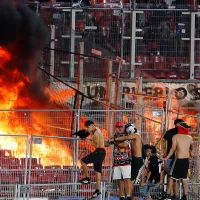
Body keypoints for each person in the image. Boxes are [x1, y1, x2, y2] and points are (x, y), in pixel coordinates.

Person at [162, 122, 193, 200]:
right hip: (186, 161)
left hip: (178, 160)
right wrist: (190, 152)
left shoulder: (175, 136)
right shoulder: (190, 137)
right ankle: (185, 196)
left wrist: (166, 157)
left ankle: (167, 195)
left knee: (171, 177)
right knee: (184, 178)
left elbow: (172, 149)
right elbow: (191, 148)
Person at [113, 123, 143, 198]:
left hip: (137, 160)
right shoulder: (134, 136)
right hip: (134, 159)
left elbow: (125, 140)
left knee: (130, 181)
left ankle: (130, 196)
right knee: (128, 180)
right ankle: (128, 196)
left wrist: (113, 140)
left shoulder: (135, 135)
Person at [79, 120, 106, 198]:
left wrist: (87, 140)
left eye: (88, 127)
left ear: (92, 125)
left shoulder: (96, 134)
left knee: (83, 161)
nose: (88, 129)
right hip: (102, 152)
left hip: (98, 151)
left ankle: (87, 178)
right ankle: (97, 191)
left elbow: (96, 145)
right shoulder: (97, 130)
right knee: (97, 171)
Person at [107, 121, 132, 200]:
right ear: (115, 128)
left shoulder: (127, 135)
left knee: (127, 179)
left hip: (126, 161)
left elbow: (124, 145)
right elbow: (106, 144)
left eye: (121, 127)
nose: (119, 128)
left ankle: (128, 196)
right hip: (116, 162)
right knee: (119, 180)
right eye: (118, 127)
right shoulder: (114, 136)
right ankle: (121, 196)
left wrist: (113, 141)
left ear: (123, 127)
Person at [162, 119, 184, 199]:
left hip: (171, 157)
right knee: (174, 177)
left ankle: (172, 194)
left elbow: (163, 141)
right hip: (178, 157)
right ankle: (174, 195)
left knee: (171, 176)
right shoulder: (181, 133)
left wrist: (164, 152)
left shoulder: (169, 132)